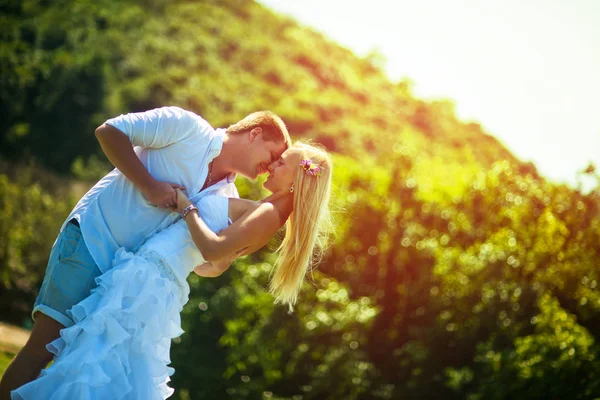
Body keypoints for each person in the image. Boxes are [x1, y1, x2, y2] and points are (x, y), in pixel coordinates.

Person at [0, 106, 290, 400]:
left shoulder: (228, 198)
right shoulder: (187, 127)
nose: (270, 167)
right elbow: (109, 131)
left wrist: (219, 261)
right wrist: (149, 186)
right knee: (42, 348)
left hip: (120, 281)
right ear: (254, 134)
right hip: (93, 240)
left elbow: (199, 263)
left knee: (76, 365)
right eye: (272, 156)